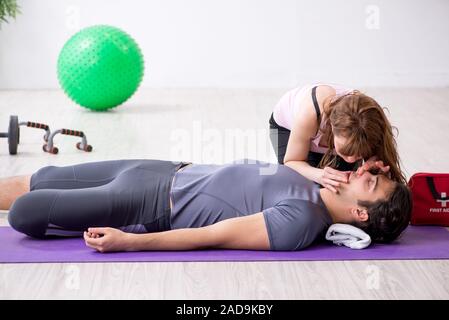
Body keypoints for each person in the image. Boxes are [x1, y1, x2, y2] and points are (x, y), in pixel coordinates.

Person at [3, 158, 412, 253]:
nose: (361, 171)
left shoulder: (300, 222)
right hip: (159, 167)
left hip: (145, 206)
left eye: (370, 182)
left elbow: (213, 235)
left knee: (26, 211)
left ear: (361, 213)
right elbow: (345, 130)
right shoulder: (320, 179)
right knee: (43, 176)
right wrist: (374, 167)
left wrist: (131, 242)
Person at [269, 83, 406, 194]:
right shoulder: (310, 115)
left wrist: (374, 161)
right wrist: (319, 175)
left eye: (359, 153)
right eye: (346, 151)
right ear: (332, 129)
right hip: (287, 128)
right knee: (303, 189)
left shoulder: (370, 121)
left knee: (341, 189)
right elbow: (291, 161)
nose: (351, 160)